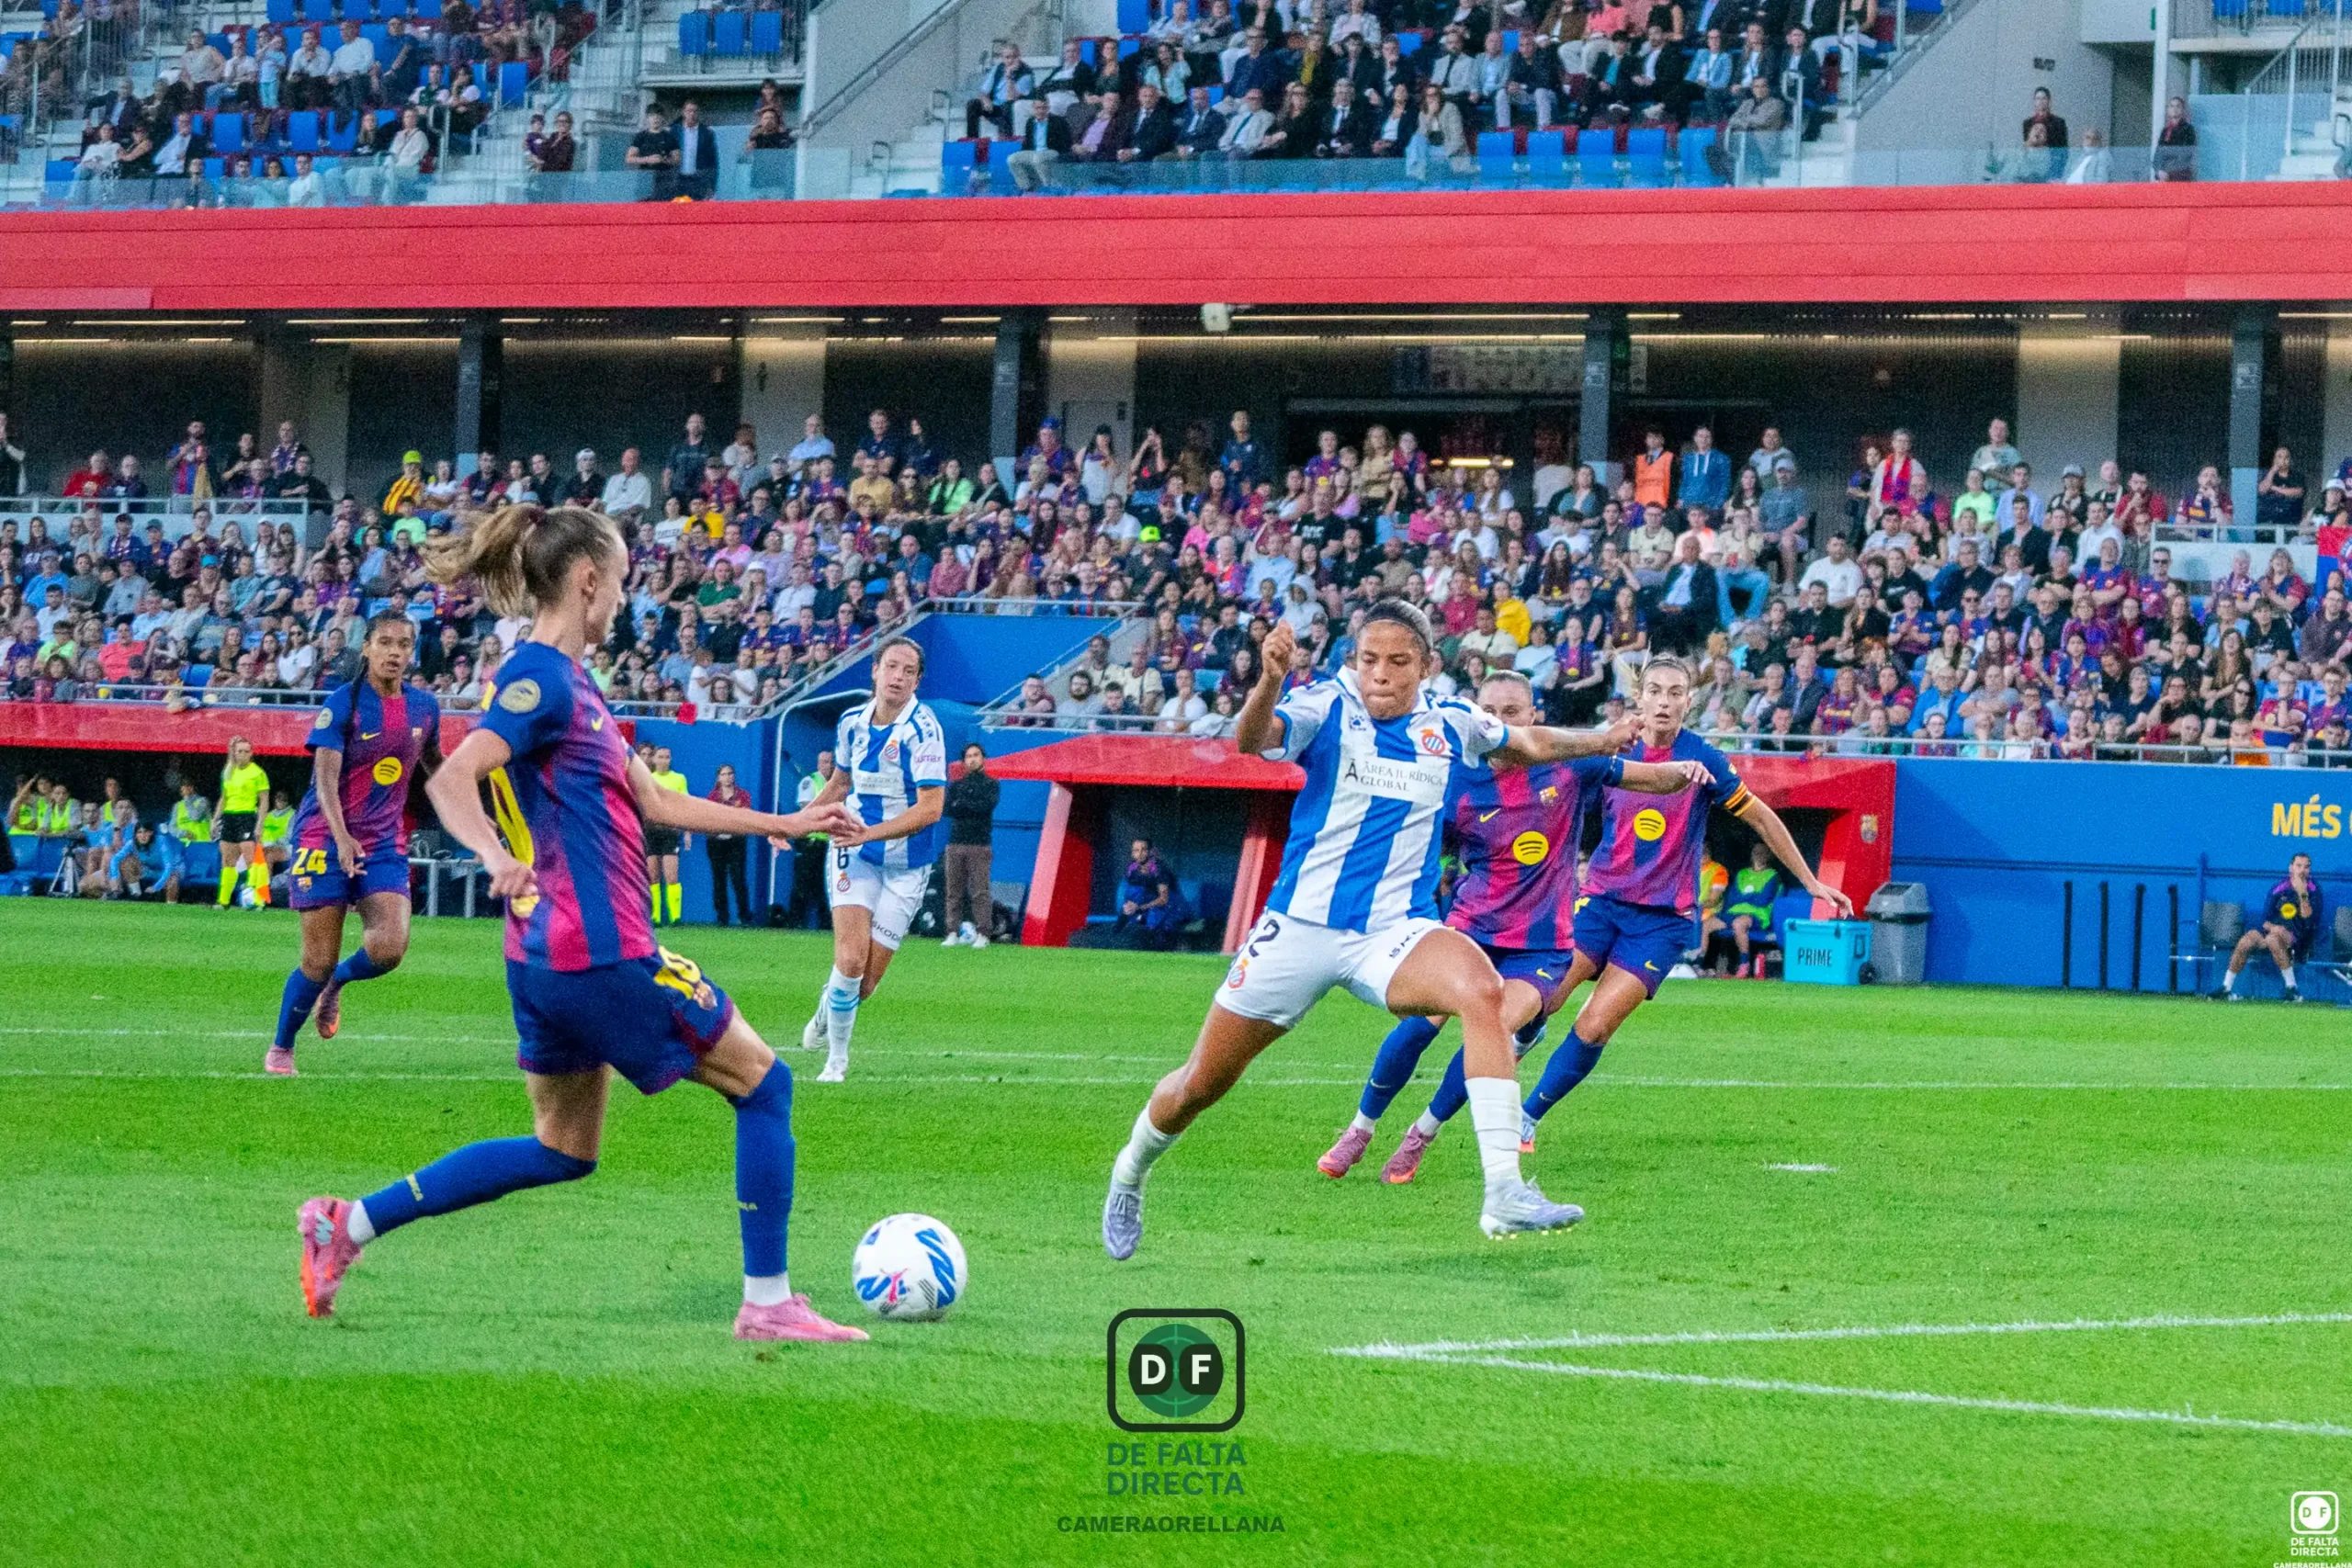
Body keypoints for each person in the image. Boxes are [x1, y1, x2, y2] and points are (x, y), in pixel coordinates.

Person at [296, 502, 867, 1342]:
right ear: (589, 580)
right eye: (623, 583)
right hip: (598, 952)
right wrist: (493, 856)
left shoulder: (576, 684)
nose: (623, 603)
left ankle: (344, 1227)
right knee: (766, 1083)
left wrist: (785, 824)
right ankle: (769, 1300)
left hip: (542, 957)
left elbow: (657, 799)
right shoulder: (542, 680)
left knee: (563, 1146)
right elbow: (454, 778)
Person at [1102, 604, 1638, 1261]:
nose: (1380, 675)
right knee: (1198, 1087)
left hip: (1393, 931)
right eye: (1369, 660)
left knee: (1482, 990)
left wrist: (1602, 737)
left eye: (1398, 662)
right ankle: (1130, 1171)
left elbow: (1531, 744)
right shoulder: (1327, 704)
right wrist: (1269, 678)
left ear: (1428, 666)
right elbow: (1251, 739)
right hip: (1299, 929)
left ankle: (1504, 1188)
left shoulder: (1452, 722)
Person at [1318, 668, 1708, 1185]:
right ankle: (1360, 1128)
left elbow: (1650, 777)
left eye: (1511, 713)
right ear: (1476, 717)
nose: (1499, 722)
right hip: (1470, 929)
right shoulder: (1454, 778)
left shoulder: (1569, 770)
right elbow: (1410, 841)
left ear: (1531, 718)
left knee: (1493, 1031)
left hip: (1542, 947)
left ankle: (1422, 1133)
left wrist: (1693, 771)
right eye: (1491, 713)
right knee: (1420, 1024)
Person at [1518, 657, 1855, 1153]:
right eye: (1655, 690)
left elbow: (1761, 818)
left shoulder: (1705, 761)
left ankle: (1526, 1118)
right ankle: (1528, 1033)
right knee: (1541, 1000)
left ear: (1689, 702)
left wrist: (1811, 880)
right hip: (1601, 902)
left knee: (1594, 1023)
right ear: (1640, 697)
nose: (1664, 701)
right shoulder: (1611, 748)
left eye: (1676, 692)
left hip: (1661, 921)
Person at [266, 614, 442, 1076]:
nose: (395, 652)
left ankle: (337, 985)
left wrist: (473, 811)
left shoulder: (424, 708)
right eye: (385, 643)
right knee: (317, 959)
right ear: (366, 648)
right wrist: (342, 837)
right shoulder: (344, 702)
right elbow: (323, 777)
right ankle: (282, 1047)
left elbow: (436, 767)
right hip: (324, 836)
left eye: (404, 644)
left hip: (383, 842)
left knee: (389, 950)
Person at [797, 638, 946, 1082]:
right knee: (849, 959)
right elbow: (841, 782)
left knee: (865, 984)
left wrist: (872, 832)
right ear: (875, 671)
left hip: (906, 864)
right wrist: (795, 824)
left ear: (917, 681)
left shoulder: (924, 730)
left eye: (908, 671)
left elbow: (931, 809)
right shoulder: (850, 723)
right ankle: (837, 1061)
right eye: (891, 667)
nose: (898, 677)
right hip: (853, 851)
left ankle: (829, 1006)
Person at [2212, 852, 2323, 1003]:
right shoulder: (2279, 888)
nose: (2302, 870)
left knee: (2272, 940)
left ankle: (2292, 990)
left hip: (2297, 936)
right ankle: (2226, 988)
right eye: (2299, 866)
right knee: (2247, 939)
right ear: (2291, 868)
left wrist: (2302, 894)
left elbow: (2309, 919)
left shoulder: (2313, 890)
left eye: (2306, 867)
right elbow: (2264, 920)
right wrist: (2274, 928)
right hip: (2272, 931)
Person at [941, 741, 999, 947]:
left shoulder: (991, 784)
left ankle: (983, 933)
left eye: (976, 755)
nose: (972, 759)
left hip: (980, 843)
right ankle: (952, 932)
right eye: (968, 756)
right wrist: (968, 805)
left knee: (980, 891)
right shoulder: (956, 785)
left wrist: (964, 805)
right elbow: (948, 809)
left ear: (983, 758)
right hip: (956, 842)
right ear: (964, 760)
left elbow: (985, 807)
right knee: (953, 891)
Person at [216, 736, 273, 909]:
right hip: (229, 817)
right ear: (234, 752)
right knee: (227, 860)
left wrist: (260, 824)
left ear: (251, 754)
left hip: (247, 816)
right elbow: (223, 798)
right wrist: (215, 819)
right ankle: (223, 900)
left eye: (246, 751)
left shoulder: (257, 773)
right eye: (239, 751)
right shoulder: (228, 772)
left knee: (252, 859)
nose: (242, 754)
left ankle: (259, 899)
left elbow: (264, 800)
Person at [1718, 840, 1785, 976]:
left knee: (1738, 925)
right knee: (1706, 924)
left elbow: (1762, 901)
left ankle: (1744, 965)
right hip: (1734, 912)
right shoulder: (1742, 874)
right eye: (1756, 852)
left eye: (1762, 852)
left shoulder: (1772, 875)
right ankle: (1696, 965)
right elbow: (1731, 899)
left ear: (1769, 855)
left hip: (1757, 916)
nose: (1758, 855)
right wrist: (1751, 895)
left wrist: (1743, 896)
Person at [642, 743, 689, 925]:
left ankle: (675, 917)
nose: (663, 761)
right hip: (651, 831)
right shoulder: (647, 778)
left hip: (670, 831)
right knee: (653, 876)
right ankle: (655, 917)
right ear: (654, 759)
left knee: (671, 875)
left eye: (667, 757)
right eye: (660, 757)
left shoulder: (679, 779)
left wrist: (687, 832)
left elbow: (685, 804)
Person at [706, 761, 753, 926]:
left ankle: (744, 916)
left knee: (738, 878)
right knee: (719, 880)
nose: (728, 777)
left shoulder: (743, 795)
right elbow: (710, 819)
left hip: (736, 842)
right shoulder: (712, 797)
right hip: (716, 842)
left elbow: (745, 817)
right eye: (724, 774)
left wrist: (730, 822)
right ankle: (722, 918)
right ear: (718, 778)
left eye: (730, 774)